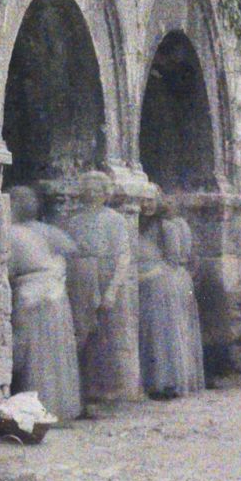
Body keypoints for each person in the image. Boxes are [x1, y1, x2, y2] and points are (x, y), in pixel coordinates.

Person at [54, 170, 139, 401]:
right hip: (80, 279)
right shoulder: (74, 221)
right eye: (87, 189)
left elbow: (123, 256)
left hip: (105, 277)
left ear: (105, 193)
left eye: (97, 189)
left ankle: (110, 390)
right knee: (82, 332)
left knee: (107, 334)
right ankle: (82, 389)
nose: (91, 193)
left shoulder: (115, 220)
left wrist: (112, 290)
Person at [5, 185, 83, 421]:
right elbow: (72, 249)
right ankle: (56, 404)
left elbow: (8, 269)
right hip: (54, 294)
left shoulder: (11, 232)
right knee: (51, 353)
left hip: (33, 295)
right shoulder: (45, 231)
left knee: (33, 353)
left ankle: (35, 407)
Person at [136, 193, 207, 399]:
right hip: (150, 282)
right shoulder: (142, 225)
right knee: (152, 331)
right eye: (144, 200)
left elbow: (174, 258)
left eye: (150, 200)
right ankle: (152, 381)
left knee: (164, 331)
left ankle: (168, 382)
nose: (146, 204)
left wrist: (150, 272)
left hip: (163, 282)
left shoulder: (167, 226)